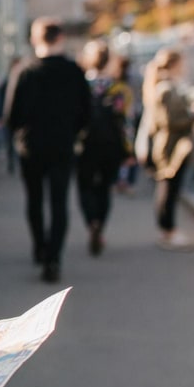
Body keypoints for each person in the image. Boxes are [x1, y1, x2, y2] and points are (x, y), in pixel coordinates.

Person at [3, 17, 91, 283]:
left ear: (34, 39)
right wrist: (73, 133)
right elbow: (87, 112)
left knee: (34, 200)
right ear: (61, 38)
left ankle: (40, 248)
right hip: (63, 145)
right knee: (59, 202)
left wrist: (19, 136)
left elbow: (10, 115)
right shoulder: (75, 71)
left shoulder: (24, 70)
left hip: (30, 147)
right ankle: (54, 259)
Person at [139, 47, 194, 249]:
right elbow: (169, 120)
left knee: (167, 188)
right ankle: (168, 232)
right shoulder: (166, 88)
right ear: (175, 64)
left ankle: (167, 231)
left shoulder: (161, 85)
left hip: (167, 145)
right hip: (170, 147)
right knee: (168, 189)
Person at [75, 39, 132, 256]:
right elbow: (127, 122)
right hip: (112, 144)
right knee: (105, 188)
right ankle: (100, 224)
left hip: (85, 144)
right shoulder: (120, 89)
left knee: (85, 187)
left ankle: (91, 222)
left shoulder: (80, 86)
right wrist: (128, 151)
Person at [108, 54, 139, 194]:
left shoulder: (113, 83)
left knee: (118, 152)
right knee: (130, 153)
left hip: (117, 123)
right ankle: (127, 182)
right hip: (129, 121)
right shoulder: (133, 82)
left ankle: (117, 180)